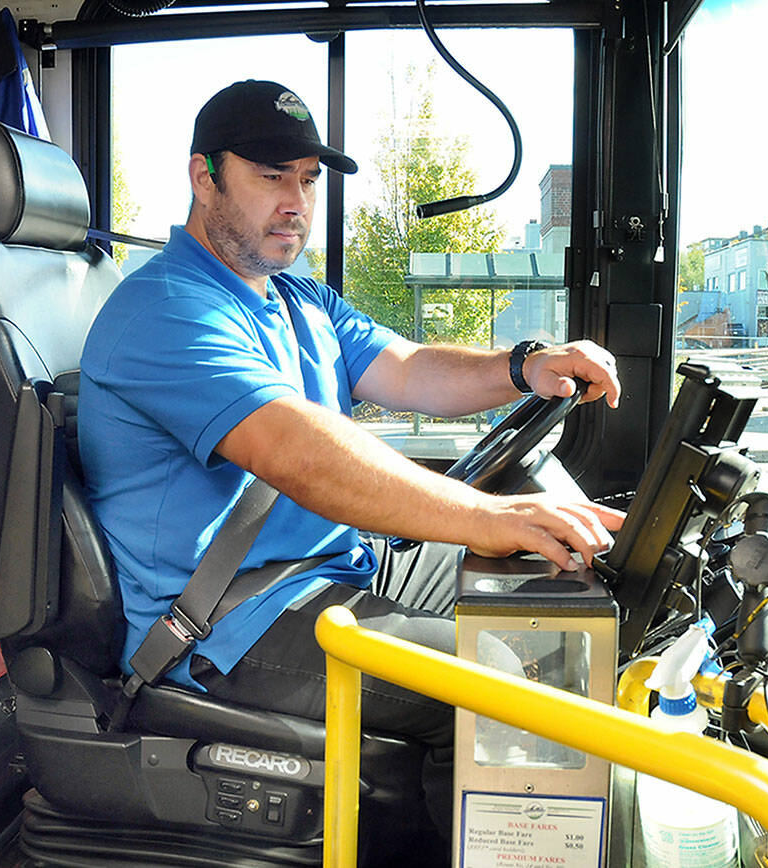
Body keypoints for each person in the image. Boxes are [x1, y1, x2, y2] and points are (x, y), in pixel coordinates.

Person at [78, 78, 623, 829]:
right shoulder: (167, 310)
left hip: (332, 565)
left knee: (551, 583)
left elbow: (406, 368)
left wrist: (524, 364)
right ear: (204, 177)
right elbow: (302, 457)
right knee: (511, 685)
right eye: (271, 176)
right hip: (232, 620)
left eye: (307, 179)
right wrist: (484, 515)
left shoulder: (296, 299)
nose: (297, 202)